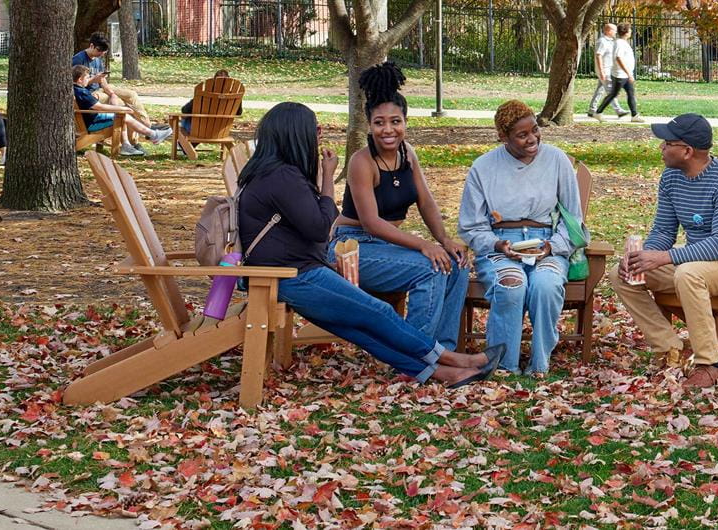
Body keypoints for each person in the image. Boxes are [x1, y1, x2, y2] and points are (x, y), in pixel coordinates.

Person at [236, 102, 492, 387]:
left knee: (362, 332)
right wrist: (327, 179)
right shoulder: (283, 177)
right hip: (292, 276)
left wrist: (442, 239)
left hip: (295, 271)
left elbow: (317, 221)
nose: (318, 134)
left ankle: (442, 372)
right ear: (294, 134)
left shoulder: (278, 174)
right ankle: (450, 359)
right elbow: (321, 228)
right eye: (314, 129)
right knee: (379, 312)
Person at [611, 113, 718, 389]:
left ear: (687, 151)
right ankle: (670, 348)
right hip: (698, 258)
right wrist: (644, 256)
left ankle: (710, 365)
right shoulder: (671, 177)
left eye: (667, 142)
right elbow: (663, 231)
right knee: (622, 274)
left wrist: (664, 257)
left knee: (688, 274)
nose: (661, 147)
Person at [332, 62, 470, 353]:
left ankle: (443, 351)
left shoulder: (407, 154)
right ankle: (414, 355)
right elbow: (371, 223)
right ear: (369, 125)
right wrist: (424, 245)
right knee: (431, 268)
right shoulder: (361, 161)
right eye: (379, 122)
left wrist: (444, 240)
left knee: (456, 264)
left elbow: (425, 201)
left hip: (387, 246)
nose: (388, 129)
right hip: (352, 247)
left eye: (395, 121)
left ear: (405, 122)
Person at [458, 100, 585, 375]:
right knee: (511, 285)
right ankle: (505, 364)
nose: (532, 138)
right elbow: (470, 226)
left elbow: (573, 220)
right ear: (503, 137)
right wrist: (496, 244)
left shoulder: (557, 160)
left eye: (535, 129)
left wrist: (552, 246)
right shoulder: (483, 167)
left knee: (546, 285)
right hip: (501, 243)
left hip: (545, 242)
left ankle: (540, 363)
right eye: (522, 134)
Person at [74, 65, 172, 156]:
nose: (89, 80)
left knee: (122, 116)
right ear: (80, 79)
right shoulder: (82, 92)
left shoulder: (76, 89)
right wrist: (123, 108)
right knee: (124, 116)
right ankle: (153, 135)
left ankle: (127, 145)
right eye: (87, 78)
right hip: (93, 123)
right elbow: (99, 107)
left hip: (91, 119)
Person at [72, 34, 154, 128]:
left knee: (131, 94)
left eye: (104, 52)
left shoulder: (97, 59)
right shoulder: (78, 59)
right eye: (99, 50)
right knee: (121, 103)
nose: (101, 54)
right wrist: (93, 80)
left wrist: (112, 94)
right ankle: (140, 131)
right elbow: (75, 84)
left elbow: (102, 80)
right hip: (89, 93)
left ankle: (148, 126)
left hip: (100, 89)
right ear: (91, 46)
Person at [593, 25, 644, 123]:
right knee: (613, 94)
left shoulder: (623, 42)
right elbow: (618, 58)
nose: (631, 32)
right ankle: (598, 112)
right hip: (620, 75)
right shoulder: (619, 43)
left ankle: (634, 115)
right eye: (630, 30)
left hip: (624, 74)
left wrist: (628, 73)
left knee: (630, 93)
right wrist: (628, 73)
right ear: (626, 32)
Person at [178, 69, 244, 135]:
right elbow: (238, 113)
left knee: (184, 118)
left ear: (214, 81)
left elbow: (184, 110)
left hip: (198, 131)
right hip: (220, 132)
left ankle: (181, 139)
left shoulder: (204, 95)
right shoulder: (234, 97)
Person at [586, 23, 628, 120]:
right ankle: (619, 110)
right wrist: (601, 71)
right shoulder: (602, 41)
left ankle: (592, 110)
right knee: (611, 91)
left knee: (600, 90)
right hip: (604, 69)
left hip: (609, 69)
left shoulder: (610, 41)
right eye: (614, 30)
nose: (616, 32)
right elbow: (598, 55)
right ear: (608, 31)